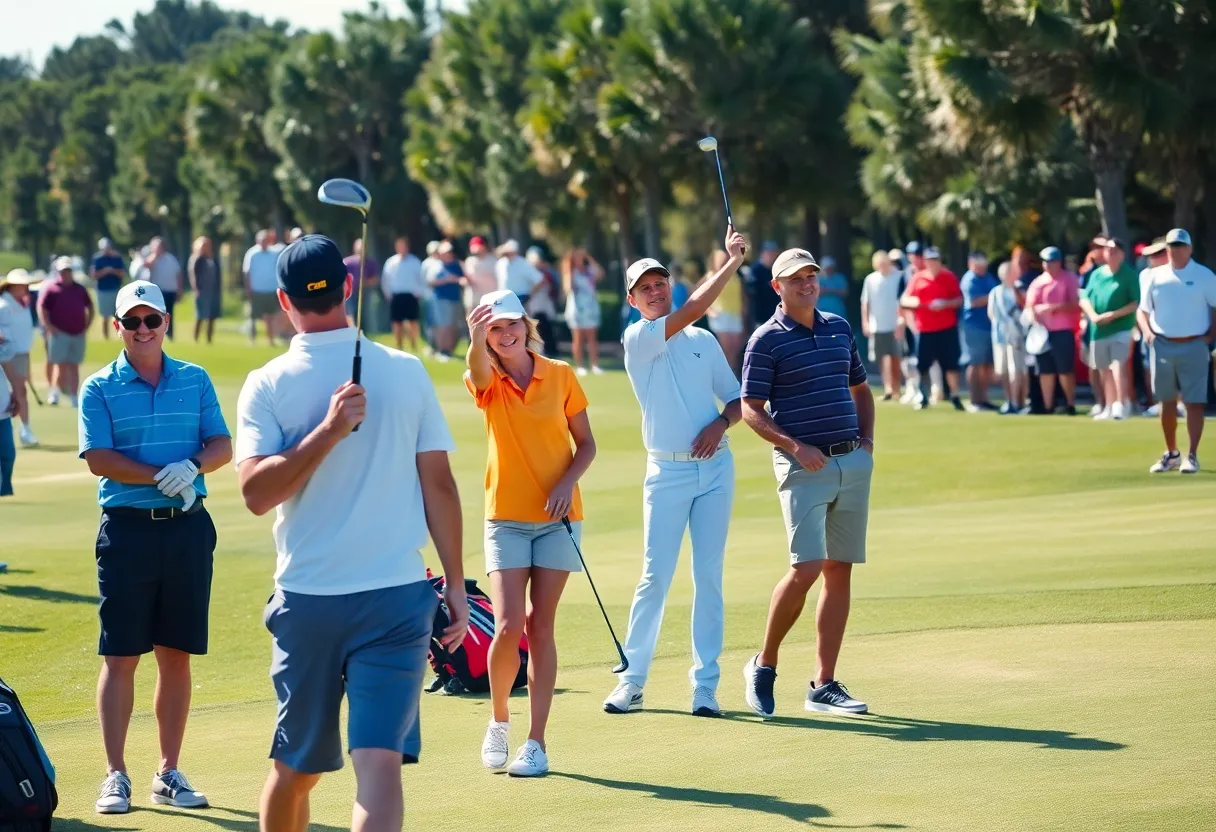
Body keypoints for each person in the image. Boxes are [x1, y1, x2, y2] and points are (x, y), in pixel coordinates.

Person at [234, 234, 468, 830]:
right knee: (365, 767)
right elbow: (440, 486)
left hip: (325, 601)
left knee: (301, 767)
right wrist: (459, 588)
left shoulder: (266, 381)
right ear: (348, 287)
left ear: (283, 300)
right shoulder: (407, 371)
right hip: (383, 597)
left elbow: (256, 494)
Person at [78, 279, 233, 815]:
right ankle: (114, 774)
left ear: (167, 322)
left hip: (188, 528)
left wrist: (191, 467)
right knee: (120, 655)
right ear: (117, 326)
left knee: (176, 654)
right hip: (127, 532)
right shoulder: (99, 386)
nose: (143, 329)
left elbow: (222, 444)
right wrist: (156, 477)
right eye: (133, 321)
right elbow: (99, 457)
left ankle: (167, 771)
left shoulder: (195, 379)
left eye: (153, 319)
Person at [602, 228, 745, 720]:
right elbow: (693, 309)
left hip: (715, 471)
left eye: (661, 282)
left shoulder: (702, 341)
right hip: (666, 473)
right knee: (654, 577)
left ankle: (705, 687)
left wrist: (719, 424)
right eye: (645, 287)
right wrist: (731, 264)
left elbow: (737, 400)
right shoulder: (638, 338)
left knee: (708, 576)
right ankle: (633, 681)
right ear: (632, 299)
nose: (656, 291)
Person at [739, 247, 876, 718]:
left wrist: (868, 443)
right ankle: (764, 663)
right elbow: (750, 409)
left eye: (811, 275)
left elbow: (861, 388)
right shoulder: (766, 340)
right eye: (795, 278)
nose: (806, 284)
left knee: (840, 569)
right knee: (807, 567)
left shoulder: (839, 327)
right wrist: (796, 447)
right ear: (777, 287)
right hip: (802, 466)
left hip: (850, 461)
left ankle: (824, 683)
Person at [465, 289, 596, 777]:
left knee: (542, 627)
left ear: (526, 324)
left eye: (510, 324)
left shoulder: (560, 374)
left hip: (559, 518)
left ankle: (536, 743)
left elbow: (585, 445)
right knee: (507, 626)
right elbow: (476, 368)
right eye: (493, 328)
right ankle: (499, 719)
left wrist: (565, 484)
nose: (504, 334)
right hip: (506, 518)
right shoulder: (484, 379)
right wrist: (474, 339)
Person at [1137, 228, 1216, 474]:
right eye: (1172, 246)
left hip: (1194, 344)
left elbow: (1214, 307)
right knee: (1166, 401)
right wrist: (1148, 334)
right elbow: (1143, 310)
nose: (1175, 250)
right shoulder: (1153, 276)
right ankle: (1171, 453)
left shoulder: (1204, 276)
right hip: (1162, 344)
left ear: (1189, 249)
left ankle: (1191, 455)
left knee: (1194, 402)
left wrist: (1210, 336)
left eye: (1180, 246)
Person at [900, 246, 964, 411]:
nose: (932, 263)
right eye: (930, 260)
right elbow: (905, 300)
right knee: (922, 365)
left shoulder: (949, 277)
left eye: (935, 260)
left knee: (951, 364)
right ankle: (923, 396)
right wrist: (922, 304)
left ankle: (955, 396)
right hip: (925, 329)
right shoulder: (918, 278)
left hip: (946, 328)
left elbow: (959, 300)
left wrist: (945, 304)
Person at [1081, 238, 1138, 421]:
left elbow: (1134, 303)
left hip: (1121, 327)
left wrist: (1112, 315)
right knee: (1103, 369)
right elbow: (1085, 298)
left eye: (1114, 250)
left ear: (1122, 254)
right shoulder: (1097, 274)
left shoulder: (1129, 274)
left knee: (1118, 365)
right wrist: (1093, 316)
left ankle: (1121, 404)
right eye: (1107, 250)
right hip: (1098, 329)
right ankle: (1109, 405)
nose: (1110, 253)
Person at [1025, 247, 1081, 416]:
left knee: (1065, 370)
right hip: (1042, 333)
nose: (1049, 266)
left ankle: (1070, 404)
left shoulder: (1069, 279)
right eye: (1046, 262)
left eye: (1052, 262)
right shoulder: (1038, 282)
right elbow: (1029, 305)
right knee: (1045, 370)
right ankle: (1048, 405)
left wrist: (1054, 308)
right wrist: (1033, 314)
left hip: (1062, 330)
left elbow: (1076, 303)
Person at [38, 257, 94, 408]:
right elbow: (43, 309)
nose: (66, 274)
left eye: (68, 270)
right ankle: (55, 393)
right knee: (60, 365)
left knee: (74, 366)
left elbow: (90, 308)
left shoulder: (79, 289)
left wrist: (86, 327)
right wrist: (49, 327)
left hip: (77, 333)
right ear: (58, 272)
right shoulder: (52, 289)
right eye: (63, 271)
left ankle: (74, 396)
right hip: (59, 333)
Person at [0, 269, 38, 446]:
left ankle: (24, 429)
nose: (26, 287)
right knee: (17, 392)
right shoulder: (4, 306)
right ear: (13, 286)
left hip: (22, 353)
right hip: (10, 355)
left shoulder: (22, 303)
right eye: (22, 284)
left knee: (19, 391)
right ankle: (24, 430)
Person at [1136, 240, 1174, 416]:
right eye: (1150, 255)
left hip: (1173, 329)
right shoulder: (1145, 275)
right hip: (1150, 328)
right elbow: (1143, 306)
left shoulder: (1176, 273)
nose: (1152, 258)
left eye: (1157, 254)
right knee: (1150, 367)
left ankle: (1177, 403)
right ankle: (1156, 403)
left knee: (1174, 367)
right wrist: (1144, 329)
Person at [860, 250, 904, 400]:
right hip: (877, 325)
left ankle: (897, 388)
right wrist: (865, 322)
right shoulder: (870, 279)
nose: (882, 267)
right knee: (882, 358)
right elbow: (865, 302)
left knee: (896, 357)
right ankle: (888, 388)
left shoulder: (899, 276)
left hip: (895, 324)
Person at [960, 252, 999, 410]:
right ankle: (975, 400)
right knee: (975, 363)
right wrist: (993, 296)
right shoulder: (970, 279)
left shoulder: (988, 277)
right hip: (974, 327)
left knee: (987, 364)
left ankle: (984, 398)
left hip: (990, 326)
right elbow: (974, 301)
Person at [988, 262, 1028, 414]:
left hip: (1017, 336)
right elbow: (992, 314)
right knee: (1004, 370)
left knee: (1016, 370)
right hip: (1000, 337)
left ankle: (1018, 402)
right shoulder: (996, 292)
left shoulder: (1019, 290)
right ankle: (1009, 400)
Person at [704, 249, 748, 375]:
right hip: (721, 315)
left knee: (736, 345)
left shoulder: (734, 275)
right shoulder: (712, 275)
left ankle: (732, 374)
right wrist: (710, 311)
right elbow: (698, 295)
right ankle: (723, 375)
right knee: (726, 347)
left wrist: (744, 308)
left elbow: (742, 294)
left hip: (735, 314)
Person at [562, 248, 605, 376]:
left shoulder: (589, 271)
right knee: (578, 338)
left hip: (591, 307)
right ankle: (580, 365)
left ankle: (594, 365)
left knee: (592, 338)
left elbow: (601, 273)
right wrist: (569, 269)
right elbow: (567, 288)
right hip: (576, 309)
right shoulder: (570, 273)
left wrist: (590, 258)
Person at [382, 236, 425, 352]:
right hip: (396, 295)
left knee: (413, 322)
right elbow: (385, 280)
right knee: (397, 322)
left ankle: (414, 345)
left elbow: (421, 278)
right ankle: (398, 345)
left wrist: (419, 292)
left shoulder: (414, 261)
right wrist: (388, 294)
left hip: (411, 295)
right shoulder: (391, 262)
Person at [244, 230, 282, 346]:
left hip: (270, 289)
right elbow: (246, 272)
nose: (264, 242)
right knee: (253, 316)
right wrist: (248, 288)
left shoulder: (274, 254)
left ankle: (270, 339)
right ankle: (252, 339)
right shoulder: (252, 253)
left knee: (270, 315)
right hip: (257, 289)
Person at [429, 241, 466, 360]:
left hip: (455, 297)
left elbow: (463, 278)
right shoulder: (436, 266)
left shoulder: (457, 264)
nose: (448, 254)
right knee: (443, 325)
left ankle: (449, 351)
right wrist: (447, 280)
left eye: (449, 252)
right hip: (441, 298)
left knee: (453, 325)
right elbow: (430, 281)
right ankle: (442, 350)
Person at [144, 238, 183, 339]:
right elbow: (147, 265)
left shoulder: (171, 259)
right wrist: (155, 255)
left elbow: (178, 275)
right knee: (156, 315)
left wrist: (179, 290)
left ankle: (169, 334)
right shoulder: (152, 258)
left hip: (170, 291)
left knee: (168, 315)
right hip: (157, 292)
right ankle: (155, 334)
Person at [525, 246, 560, 355]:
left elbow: (553, 284)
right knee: (533, 328)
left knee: (546, 328)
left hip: (544, 304)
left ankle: (550, 351)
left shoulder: (548, 271)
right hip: (532, 305)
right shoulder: (527, 271)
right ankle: (537, 351)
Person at [90, 238, 126, 340]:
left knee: (119, 315)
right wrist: (105, 271)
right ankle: (106, 337)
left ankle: (121, 335)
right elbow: (94, 275)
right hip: (103, 290)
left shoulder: (117, 258)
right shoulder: (97, 259)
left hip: (116, 289)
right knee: (105, 316)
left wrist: (112, 271)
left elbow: (122, 273)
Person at [189, 236, 222, 344]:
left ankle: (209, 339)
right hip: (202, 291)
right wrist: (196, 289)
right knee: (200, 315)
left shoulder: (213, 258)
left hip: (213, 291)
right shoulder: (197, 259)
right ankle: (196, 338)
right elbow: (193, 275)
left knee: (212, 316)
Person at [343, 237, 380, 329]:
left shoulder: (370, 262)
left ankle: (364, 333)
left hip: (365, 291)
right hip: (351, 293)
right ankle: (353, 332)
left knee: (364, 314)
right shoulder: (347, 262)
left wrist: (366, 282)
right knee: (351, 313)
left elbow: (376, 278)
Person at [495, 239, 543, 308]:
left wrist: (529, 296)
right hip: (504, 298)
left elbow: (539, 280)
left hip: (520, 298)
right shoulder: (500, 263)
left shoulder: (524, 264)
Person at [744, 241, 781, 329]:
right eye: (769, 253)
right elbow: (750, 293)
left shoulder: (776, 270)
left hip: (775, 317)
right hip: (758, 318)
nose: (772, 256)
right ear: (763, 253)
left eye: (774, 253)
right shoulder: (755, 270)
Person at [464, 236, 498, 310]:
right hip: (474, 299)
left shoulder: (493, 260)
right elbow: (467, 277)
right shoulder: (469, 261)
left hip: (491, 299)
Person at [0, 369, 15, 496]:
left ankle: (5, 490)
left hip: (3, 413)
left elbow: (7, 366)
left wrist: (15, 391)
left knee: (8, 454)